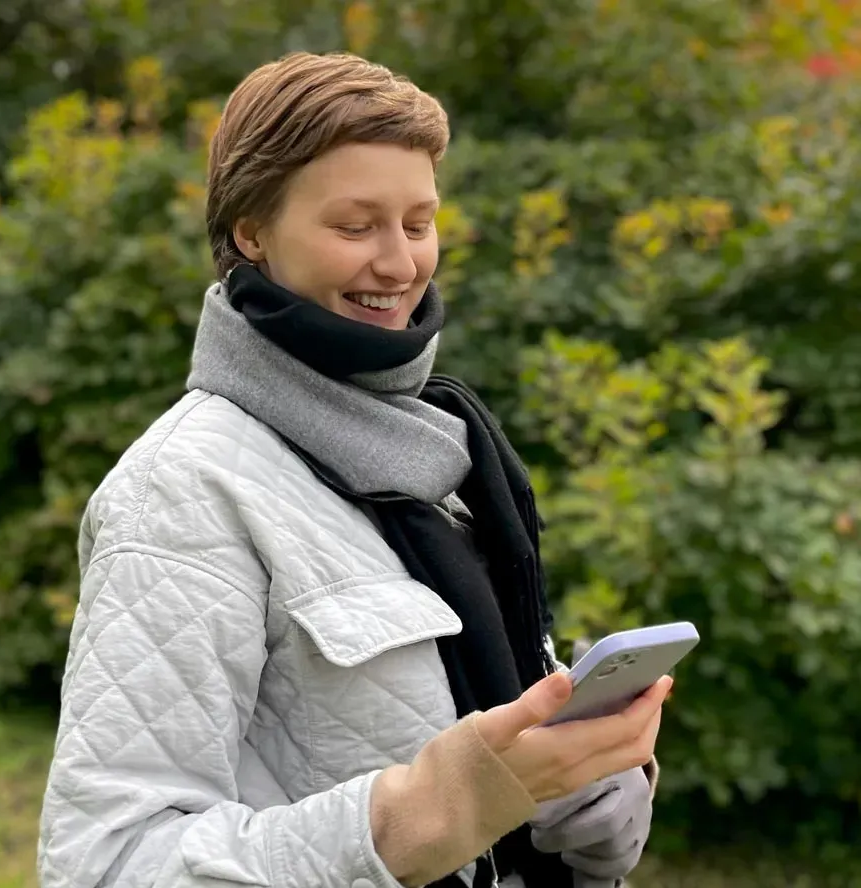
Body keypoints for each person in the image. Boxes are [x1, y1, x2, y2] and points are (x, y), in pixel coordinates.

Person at [37, 51, 671, 888]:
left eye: (418, 223)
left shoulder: (439, 448)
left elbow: (453, 697)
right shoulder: (185, 491)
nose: (401, 264)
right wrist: (429, 813)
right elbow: (109, 863)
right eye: (355, 226)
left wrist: (585, 782)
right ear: (251, 232)